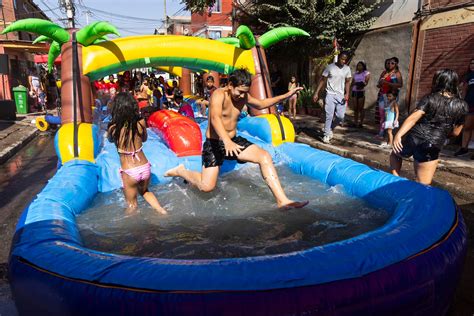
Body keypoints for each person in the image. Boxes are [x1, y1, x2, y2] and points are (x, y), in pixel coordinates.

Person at [164, 69, 308, 210]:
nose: (242, 96)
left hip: (233, 141)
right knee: (206, 187)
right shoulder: (218, 94)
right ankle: (181, 171)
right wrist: (226, 141)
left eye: (245, 92)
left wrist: (286, 96)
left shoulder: (243, 95)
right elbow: (215, 118)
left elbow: (261, 104)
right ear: (230, 85)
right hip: (215, 143)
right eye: (240, 91)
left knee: (264, 156)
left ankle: (282, 201)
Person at [390, 69, 468, 185]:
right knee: (423, 184)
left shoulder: (430, 98)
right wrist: (443, 132)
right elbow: (456, 133)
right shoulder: (462, 106)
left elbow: (413, 118)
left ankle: (396, 179)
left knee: (395, 153)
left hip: (415, 137)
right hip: (433, 143)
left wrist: (399, 135)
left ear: (438, 82)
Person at [107, 92, 167, 214]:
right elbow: (144, 138)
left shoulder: (113, 127)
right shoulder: (140, 122)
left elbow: (111, 140)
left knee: (132, 205)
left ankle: (131, 231)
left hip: (129, 170)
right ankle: (162, 212)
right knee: (145, 191)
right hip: (144, 166)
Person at [313, 51, 352, 143]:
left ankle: (330, 128)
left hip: (341, 95)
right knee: (329, 115)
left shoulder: (347, 69)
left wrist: (347, 94)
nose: (343, 61)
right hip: (330, 94)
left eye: (345, 60)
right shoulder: (330, 67)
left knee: (340, 116)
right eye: (342, 59)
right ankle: (326, 135)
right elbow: (322, 80)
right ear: (338, 57)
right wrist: (316, 93)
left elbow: (347, 82)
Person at [377, 57, 403, 138]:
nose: (390, 64)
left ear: (396, 64)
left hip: (391, 97)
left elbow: (400, 85)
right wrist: (380, 83)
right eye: (388, 63)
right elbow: (378, 84)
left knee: (390, 116)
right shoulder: (384, 72)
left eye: (392, 63)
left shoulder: (397, 73)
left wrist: (388, 83)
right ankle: (381, 133)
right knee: (381, 115)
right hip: (382, 95)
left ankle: (389, 135)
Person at [454, 58, 474, 159]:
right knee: (467, 127)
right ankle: (464, 148)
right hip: (469, 104)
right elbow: (464, 90)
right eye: (471, 63)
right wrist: (462, 103)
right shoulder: (468, 76)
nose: (472, 65)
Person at [351, 61, 370, 127]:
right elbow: (352, 82)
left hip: (361, 91)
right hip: (354, 91)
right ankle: (355, 122)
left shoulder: (366, 73)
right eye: (358, 65)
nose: (359, 66)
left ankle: (361, 122)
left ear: (363, 66)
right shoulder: (355, 73)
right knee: (355, 108)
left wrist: (361, 84)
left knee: (361, 108)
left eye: (360, 65)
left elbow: (366, 82)